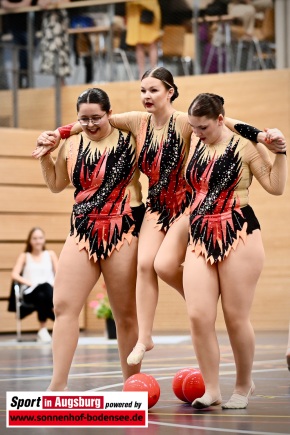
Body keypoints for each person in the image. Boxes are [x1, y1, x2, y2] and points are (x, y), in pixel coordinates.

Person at [33, 67, 286, 369]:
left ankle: (200, 301)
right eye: (142, 90)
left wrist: (260, 135)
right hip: (155, 206)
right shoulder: (136, 121)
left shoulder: (184, 121)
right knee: (145, 263)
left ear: (170, 91)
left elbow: (224, 121)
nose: (146, 96)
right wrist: (58, 134)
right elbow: (92, 121)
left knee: (164, 265)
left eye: (153, 90)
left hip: (185, 206)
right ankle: (146, 337)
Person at [33, 87, 145, 391]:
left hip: (123, 229)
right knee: (63, 305)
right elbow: (57, 184)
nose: (91, 124)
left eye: (97, 117)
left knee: (125, 314)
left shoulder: (130, 136)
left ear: (109, 113)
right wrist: (45, 156)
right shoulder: (70, 142)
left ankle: (131, 386)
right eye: (84, 119)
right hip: (82, 230)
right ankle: (57, 386)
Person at [182, 93, 287, 410]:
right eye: (193, 127)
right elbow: (221, 122)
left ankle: (243, 385)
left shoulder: (245, 145)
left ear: (218, 119)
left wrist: (280, 152)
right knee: (198, 315)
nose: (196, 133)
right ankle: (211, 388)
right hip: (200, 232)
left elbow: (275, 186)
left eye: (202, 127)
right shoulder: (198, 140)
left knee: (235, 317)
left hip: (238, 231)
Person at [10, 227, 57, 342]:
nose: (38, 241)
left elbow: (60, 274)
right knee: (43, 289)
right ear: (30, 241)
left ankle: (42, 330)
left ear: (44, 240)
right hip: (30, 292)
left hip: (48, 292)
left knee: (44, 290)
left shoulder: (50, 255)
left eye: (40, 238)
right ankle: (55, 316)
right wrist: (31, 283)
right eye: (35, 238)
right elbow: (14, 274)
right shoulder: (25, 256)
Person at [125, 0, 161, 79]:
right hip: (134, 9)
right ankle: (141, 74)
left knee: (152, 41)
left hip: (149, 6)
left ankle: (154, 72)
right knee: (138, 43)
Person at [38, 0, 71, 84]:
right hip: (49, 24)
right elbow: (40, 3)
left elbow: (67, 1)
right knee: (50, 52)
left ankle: (61, 81)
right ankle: (57, 81)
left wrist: (50, 2)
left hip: (60, 23)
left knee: (61, 51)